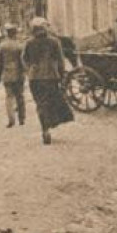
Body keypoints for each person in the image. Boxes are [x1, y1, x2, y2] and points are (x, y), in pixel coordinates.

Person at [22, 17, 74, 145]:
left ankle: (45, 129)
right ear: (45, 28)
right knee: (51, 101)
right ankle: (49, 125)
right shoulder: (54, 42)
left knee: (40, 104)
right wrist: (62, 76)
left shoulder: (28, 43)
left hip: (35, 79)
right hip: (50, 77)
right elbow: (61, 61)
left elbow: (24, 59)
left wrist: (30, 69)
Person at [0, 24, 26, 128]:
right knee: (20, 96)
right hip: (19, 75)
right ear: (15, 33)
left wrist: (1, 66)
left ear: (7, 33)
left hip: (7, 75)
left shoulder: (2, 46)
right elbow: (23, 61)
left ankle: (11, 119)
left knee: (9, 97)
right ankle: (22, 119)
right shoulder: (20, 45)